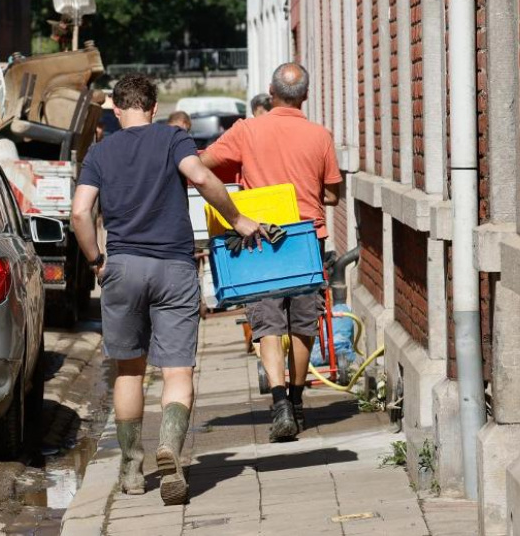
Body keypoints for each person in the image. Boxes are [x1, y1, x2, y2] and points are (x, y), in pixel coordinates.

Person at [71, 74, 263, 505]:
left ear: (117, 111)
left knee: (129, 370)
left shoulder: (100, 152)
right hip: (174, 267)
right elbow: (201, 178)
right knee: (178, 370)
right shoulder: (173, 139)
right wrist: (238, 219)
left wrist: (96, 262)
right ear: (153, 108)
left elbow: (81, 214)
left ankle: (131, 468)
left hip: (122, 267)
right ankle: (170, 449)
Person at [201, 63, 342, 442]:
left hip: (260, 239)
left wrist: (240, 190)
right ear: (306, 96)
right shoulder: (320, 136)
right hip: (306, 239)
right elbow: (332, 192)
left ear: (270, 91)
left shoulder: (247, 131)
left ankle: (278, 402)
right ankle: (297, 400)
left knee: (267, 323)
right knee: (303, 322)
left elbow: (202, 165)